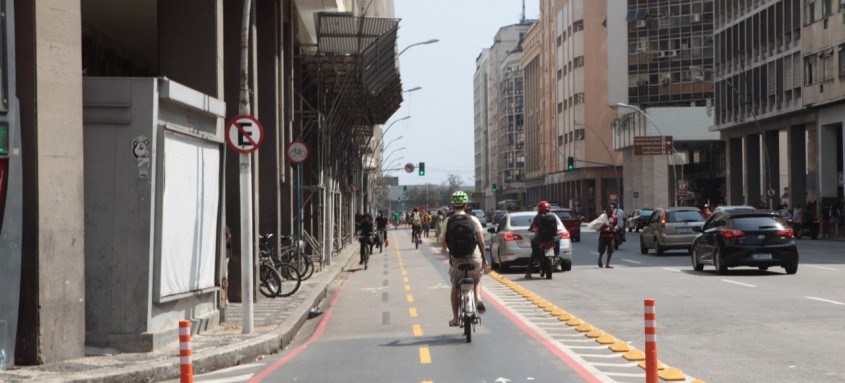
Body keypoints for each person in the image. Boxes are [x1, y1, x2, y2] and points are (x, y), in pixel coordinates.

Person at [440, 191, 488, 327]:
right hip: (474, 259)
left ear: (452, 205)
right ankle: (478, 298)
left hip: (457, 261)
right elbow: (482, 242)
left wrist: (445, 249)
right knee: (477, 278)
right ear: (466, 205)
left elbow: (443, 241)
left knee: (455, 286)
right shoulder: (473, 220)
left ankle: (455, 318)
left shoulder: (447, 221)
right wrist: (484, 259)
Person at [525, 201, 559, 280]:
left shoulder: (538, 217)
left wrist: (531, 229)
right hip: (551, 239)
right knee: (555, 245)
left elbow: (532, 226)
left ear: (539, 209)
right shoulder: (553, 216)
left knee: (534, 252)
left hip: (540, 240)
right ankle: (556, 258)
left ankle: (528, 272)